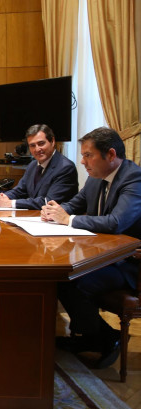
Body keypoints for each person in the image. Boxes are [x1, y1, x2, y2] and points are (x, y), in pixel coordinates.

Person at [41, 127, 141, 369]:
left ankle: (103, 338)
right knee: (58, 275)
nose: (82, 161)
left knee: (77, 281)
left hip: (129, 263)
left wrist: (68, 219)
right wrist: (53, 211)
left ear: (110, 154)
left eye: (88, 155)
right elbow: (73, 205)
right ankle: (93, 334)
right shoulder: (96, 177)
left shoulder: (134, 178)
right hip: (103, 257)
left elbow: (117, 222)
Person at [0, 124, 78, 209]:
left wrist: (11, 203)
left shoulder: (65, 167)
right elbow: (20, 191)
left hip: (56, 222)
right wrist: (1, 197)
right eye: (32, 145)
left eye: (41, 143)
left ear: (52, 141)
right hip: (35, 218)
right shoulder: (32, 165)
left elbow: (49, 202)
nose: (37, 149)